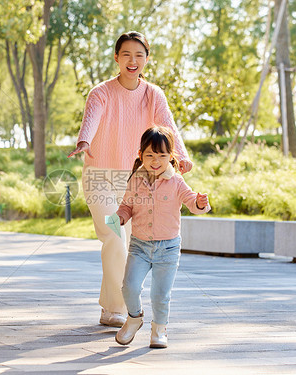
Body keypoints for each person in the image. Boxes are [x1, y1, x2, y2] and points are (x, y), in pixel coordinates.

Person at [68, 31, 194, 328]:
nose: (132, 60)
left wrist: (182, 155)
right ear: (117, 58)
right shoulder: (101, 92)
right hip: (100, 178)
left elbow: (168, 126)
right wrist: (84, 141)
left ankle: (110, 307)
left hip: (135, 181)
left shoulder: (153, 94)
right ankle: (115, 308)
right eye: (126, 55)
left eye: (139, 55)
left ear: (147, 59)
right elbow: (92, 118)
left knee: (123, 242)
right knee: (115, 237)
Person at [114, 126, 210, 348]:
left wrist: (199, 203)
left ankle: (159, 329)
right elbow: (126, 205)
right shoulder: (135, 180)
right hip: (139, 245)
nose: (155, 161)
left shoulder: (176, 181)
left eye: (162, 155)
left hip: (168, 248)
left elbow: (190, 200)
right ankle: (134, 318)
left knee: (160, 294)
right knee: (129, 286)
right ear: (141, 155)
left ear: (171, 156)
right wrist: (120, 217)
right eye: (149, 155)